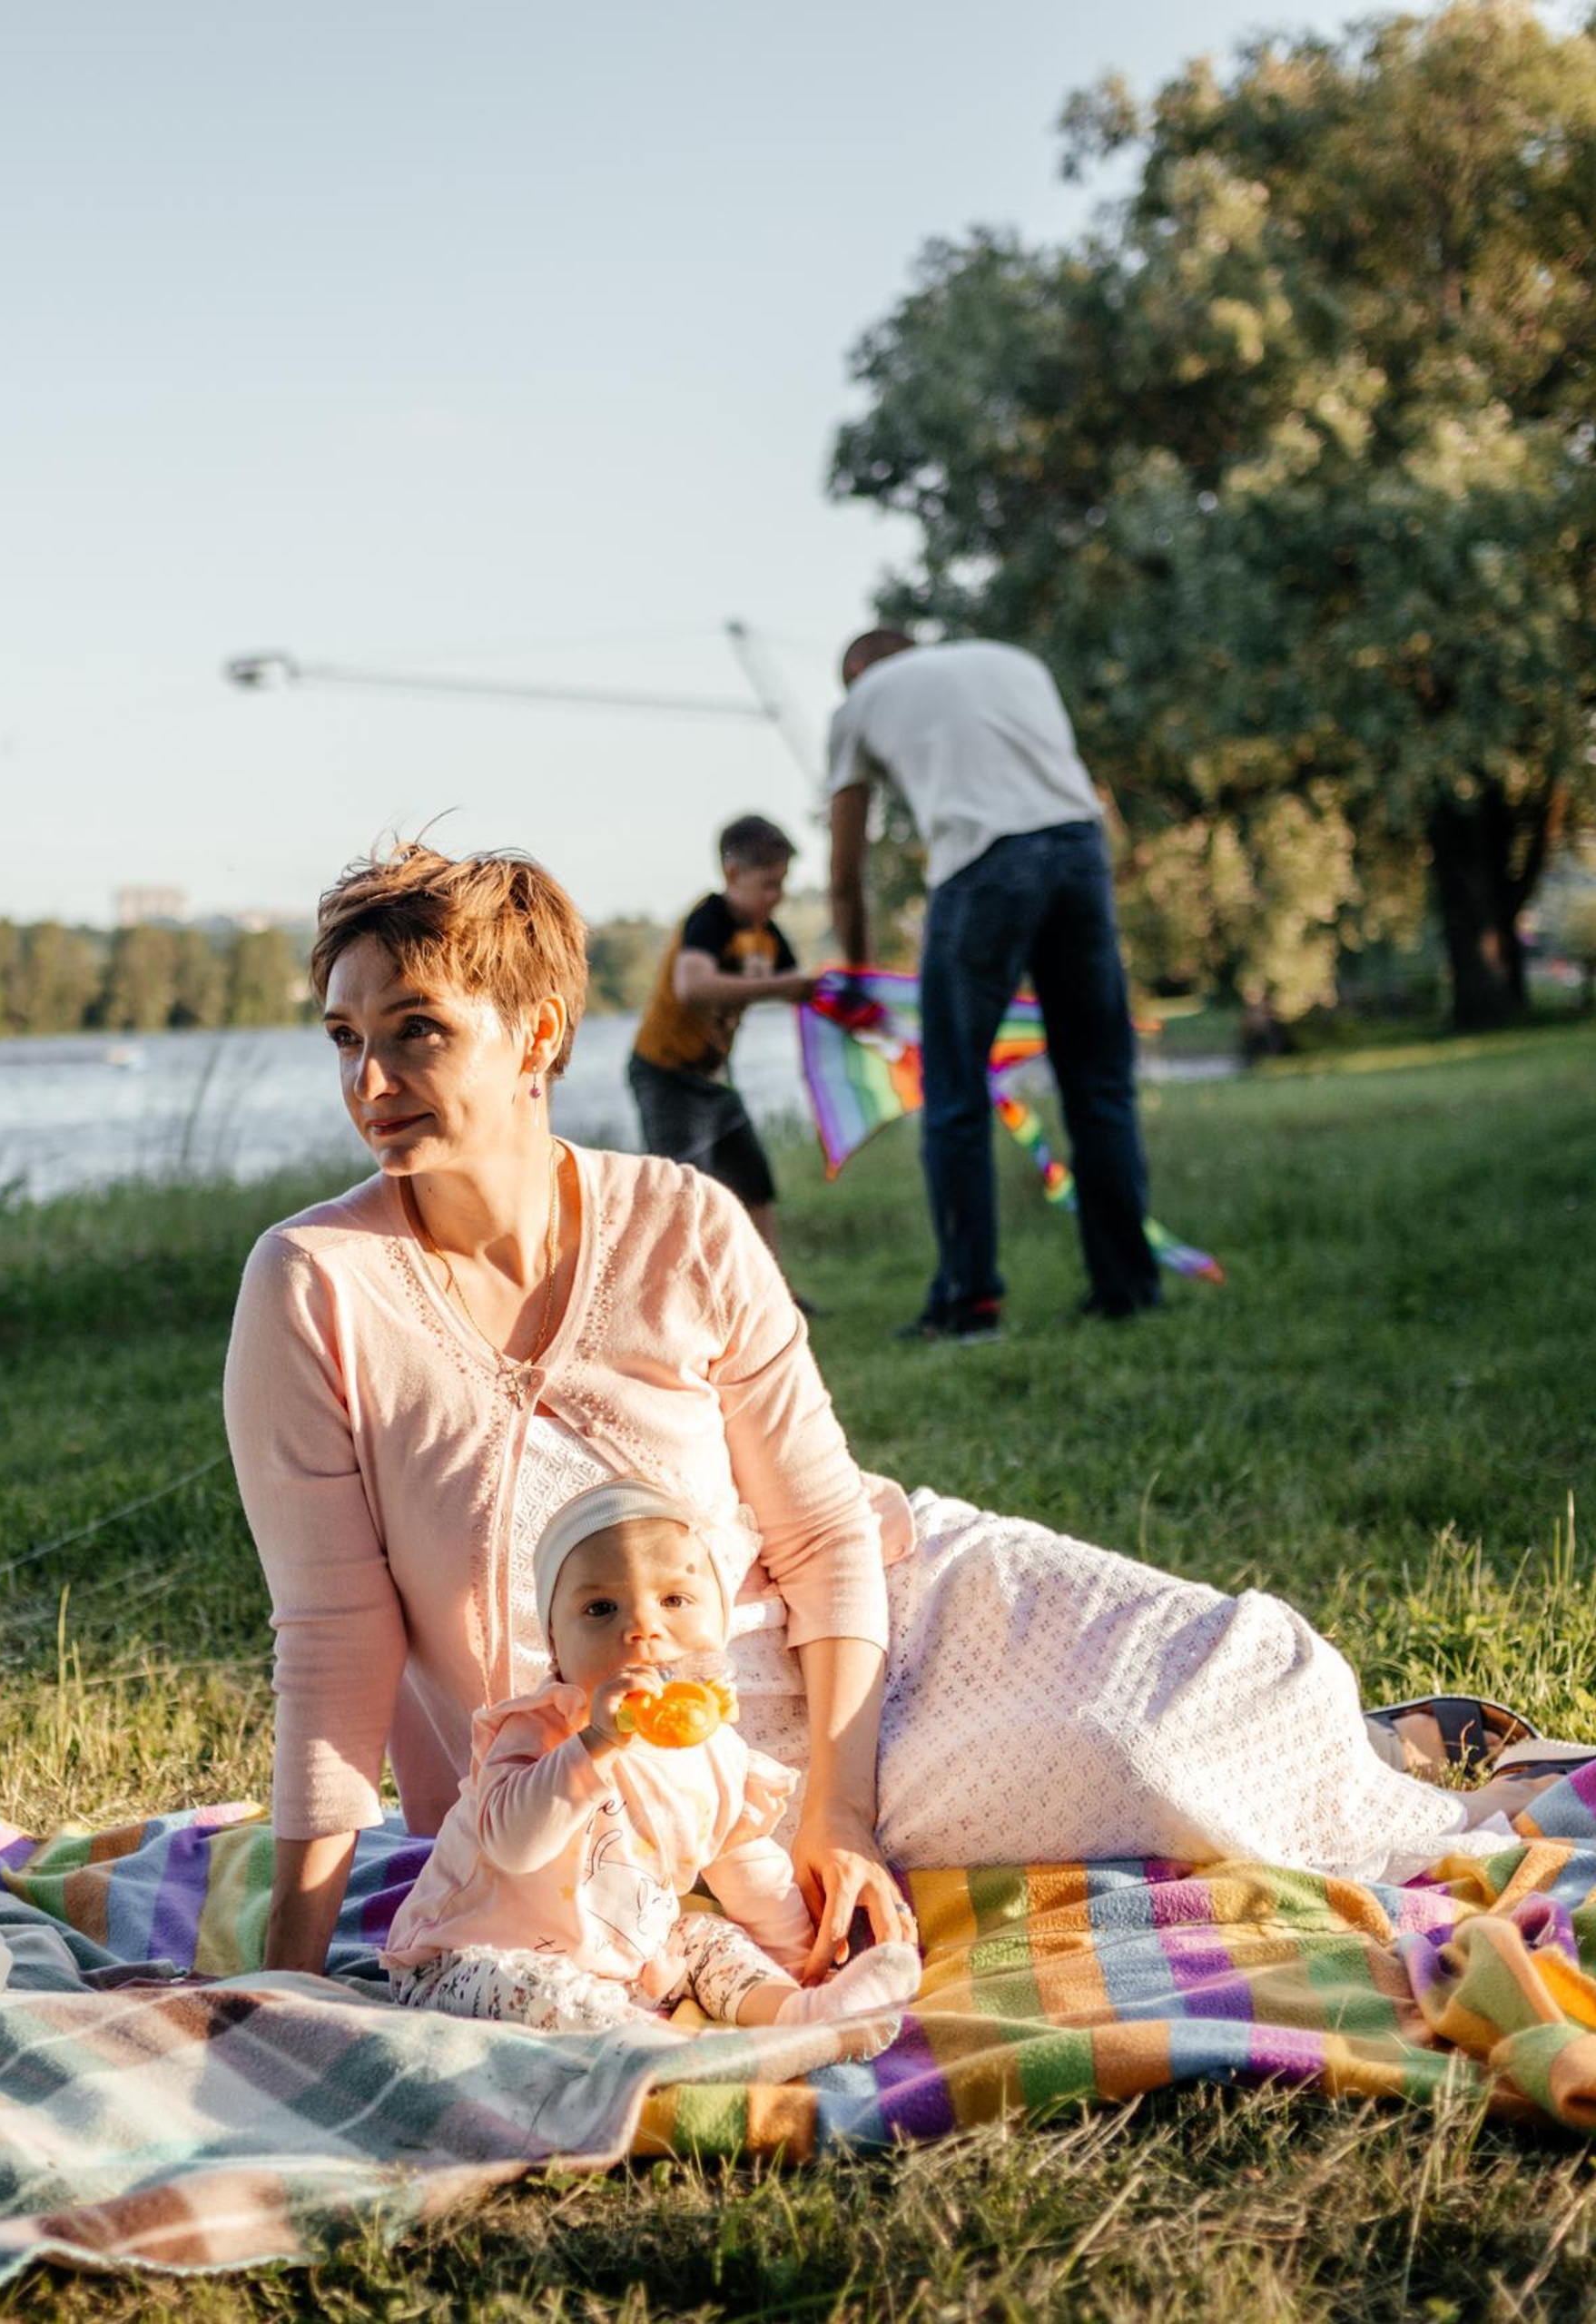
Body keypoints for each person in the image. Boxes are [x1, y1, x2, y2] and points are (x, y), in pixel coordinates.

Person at [223, 841, 1556, 1982]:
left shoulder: (680, 1221)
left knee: (1214, 1676)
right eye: (348, 1039)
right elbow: (332, 1641)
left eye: (417, 1031)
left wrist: (839, 1817)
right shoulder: (313, 1287)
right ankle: (1380, 1746)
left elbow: (816, 1534)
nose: (372, 1081)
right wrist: (289, 1970)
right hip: (652, 1764)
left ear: (539, 1036)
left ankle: (1390, 1739)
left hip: (868, 1626)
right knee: (1137, 1763)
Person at [382, 1476, 921, 2039]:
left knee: (709, 1939)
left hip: (625, 1966)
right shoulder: (536, 1726)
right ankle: (643, 2045)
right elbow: (515, 1846)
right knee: (537, 1989)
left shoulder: (716, 1754)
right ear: (554, 1647)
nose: (641, 1628)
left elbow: (750, 1874)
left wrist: (799, 1959)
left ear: (720, 1622)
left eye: (674, 1600)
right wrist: (596, 1742)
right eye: (600, 1608)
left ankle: (804, 2010)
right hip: (466, 1960)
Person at [823, 630, 1155, 1342]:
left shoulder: (857, 706)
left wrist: (860, 980)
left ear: (855, 675)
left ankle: (969, 1306)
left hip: (983, 867)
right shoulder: (1015, 661)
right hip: (1078, 850)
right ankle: (1127, 1288)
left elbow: (846, 875)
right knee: (1099, 1084)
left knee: (953, 1094)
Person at [626, 814, 814, 1262]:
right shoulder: (710, 919)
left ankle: (775, 1293)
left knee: (756, 1183)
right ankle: (682, 1297)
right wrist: (777, 988)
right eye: (768, 883)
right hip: (665, 1076)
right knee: (682, 1193)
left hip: (714, 1080)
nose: (777, 896)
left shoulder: (765, 936)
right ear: (733, 874)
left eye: (782, 884)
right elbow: (692, 986)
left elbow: (801, 987)